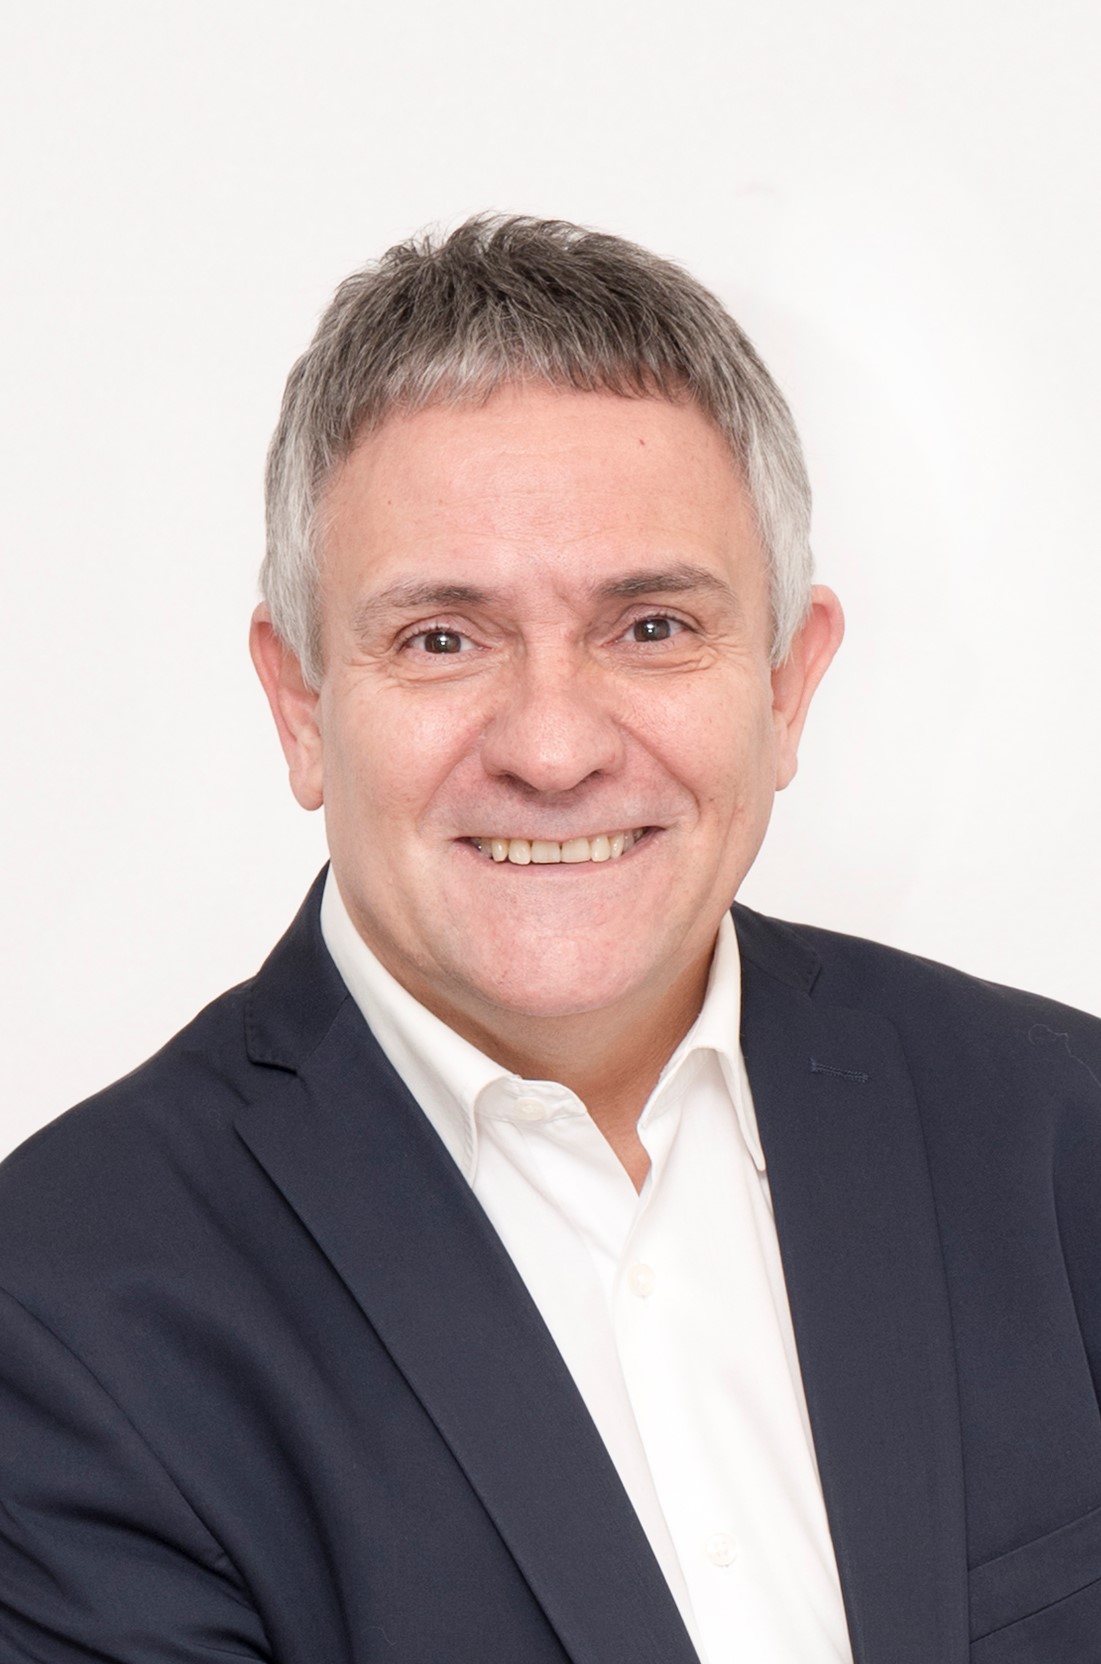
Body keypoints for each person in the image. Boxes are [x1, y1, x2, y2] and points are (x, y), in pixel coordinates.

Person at [1, 215, 1099, 1664]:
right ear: (300, 706)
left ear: (786, 686)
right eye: (443, 638)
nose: (554, 746)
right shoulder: (61, 1312)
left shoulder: (1060, 1131)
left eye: (651, 627)